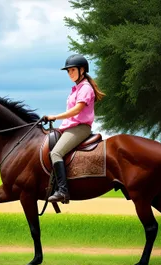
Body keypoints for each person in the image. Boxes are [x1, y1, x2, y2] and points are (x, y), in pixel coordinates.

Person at [45, 54, 105, 203]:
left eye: (72, 70)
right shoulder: (76, 88)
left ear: (82, 70)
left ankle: (63, 192)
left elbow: (77, 110)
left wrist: (55, 117)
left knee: (56, 153)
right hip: (69, 128)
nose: (70, 73)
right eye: (68, 71)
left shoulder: (85, 88)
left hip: (80, 128)